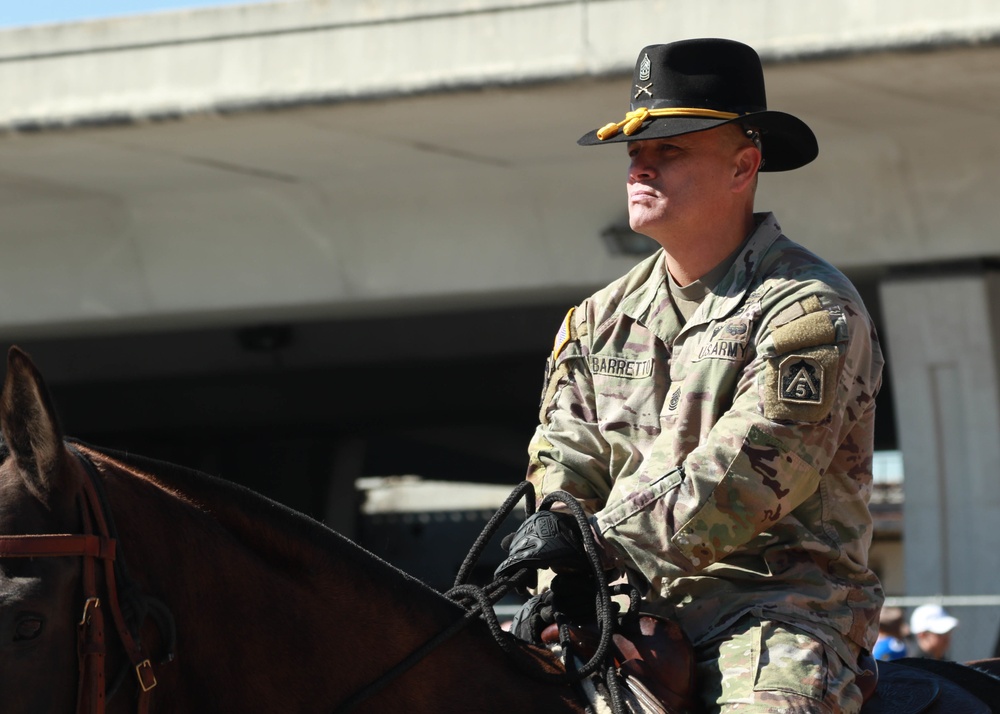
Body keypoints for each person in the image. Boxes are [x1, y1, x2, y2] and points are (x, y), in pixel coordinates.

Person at [495, 38, 885, 713]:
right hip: (615, 608)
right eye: (634, 154)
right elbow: (565, 459)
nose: (641, 168)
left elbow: (750, 472)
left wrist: (594, 545)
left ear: (743, 167)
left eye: (669, 151)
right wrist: (560, 552)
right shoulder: (596, 320)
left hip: (771, 610)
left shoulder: (810, 310)